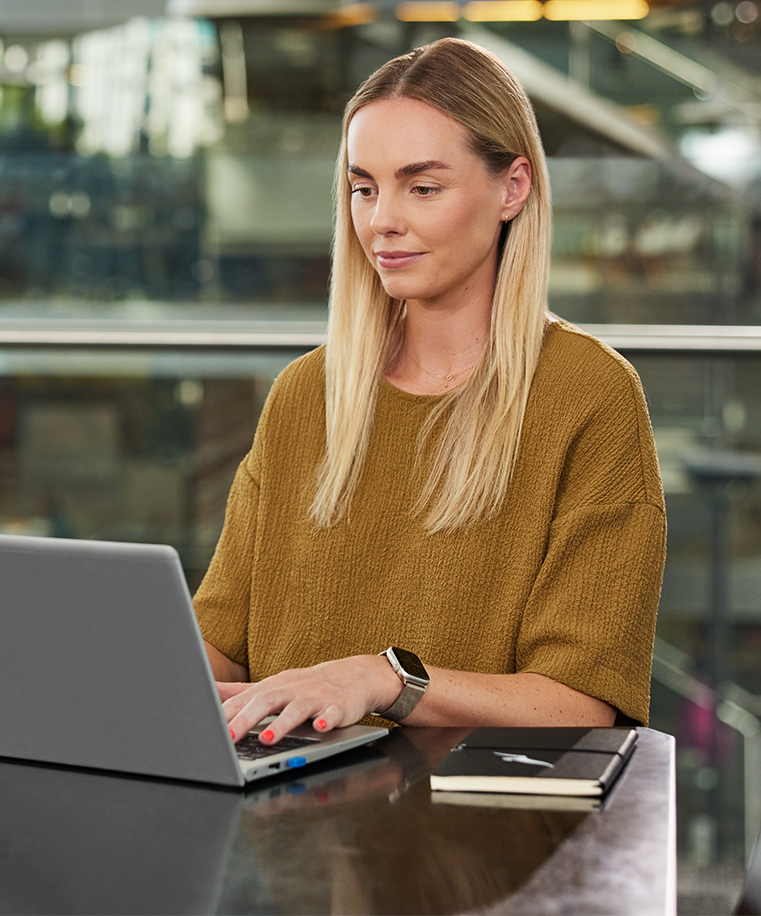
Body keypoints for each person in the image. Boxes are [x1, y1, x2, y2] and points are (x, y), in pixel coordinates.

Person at [192, 38, 665, 747]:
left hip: (465, 825)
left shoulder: (590, 396)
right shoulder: (305, 394)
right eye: (364, 187)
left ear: (513, 188)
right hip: (282, 810)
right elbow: (218, 645)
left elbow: (580, 702)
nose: (382, 219)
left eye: (422, 187)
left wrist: (385, 680)